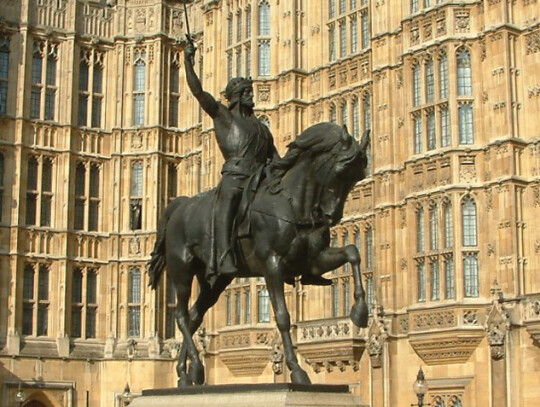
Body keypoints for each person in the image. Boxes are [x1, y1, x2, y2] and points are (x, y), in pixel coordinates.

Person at [184, 41, 280, 275]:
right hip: (236, 177)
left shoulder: (261, 128)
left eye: (251, 92)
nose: (251, 96)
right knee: (228, 199)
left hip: (260, 179)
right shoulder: (223, 116)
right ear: (236, 96)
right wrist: (188, 61)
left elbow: (276, 159)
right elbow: (198, 92)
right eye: (246, 92)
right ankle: (223, 253)